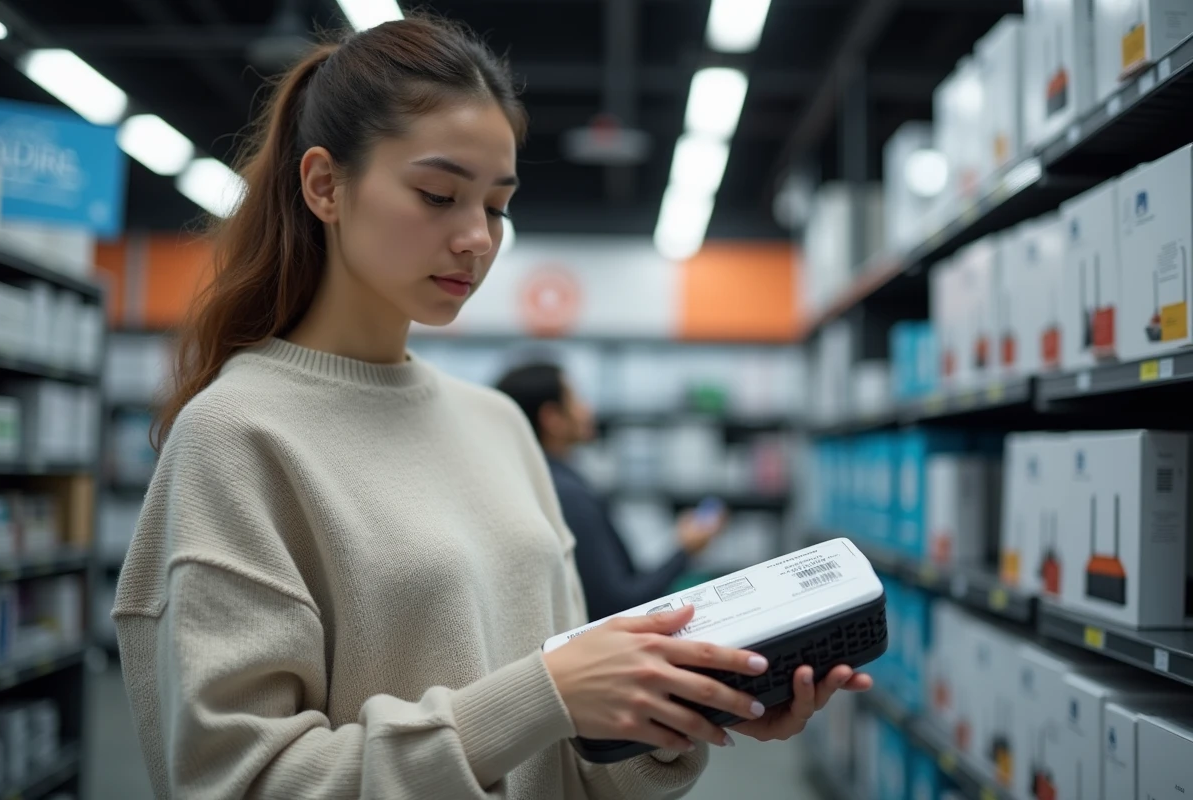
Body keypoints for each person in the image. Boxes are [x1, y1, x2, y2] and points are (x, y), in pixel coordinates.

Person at [112, 16, 872, 800]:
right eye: (437, 194)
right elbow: (239, 782)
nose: (476, 237)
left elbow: (572, 765)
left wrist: (674, 719)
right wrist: (540, 695)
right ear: (324, 185)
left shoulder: (500, 426)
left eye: (498, 207)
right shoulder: (235, 437)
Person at [496, 363, 727, 621]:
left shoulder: (526, 481)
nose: (587, 409)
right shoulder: (567, 495)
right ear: (552, 418)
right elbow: (619, 607)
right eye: (576, 399)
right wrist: (685, 550)